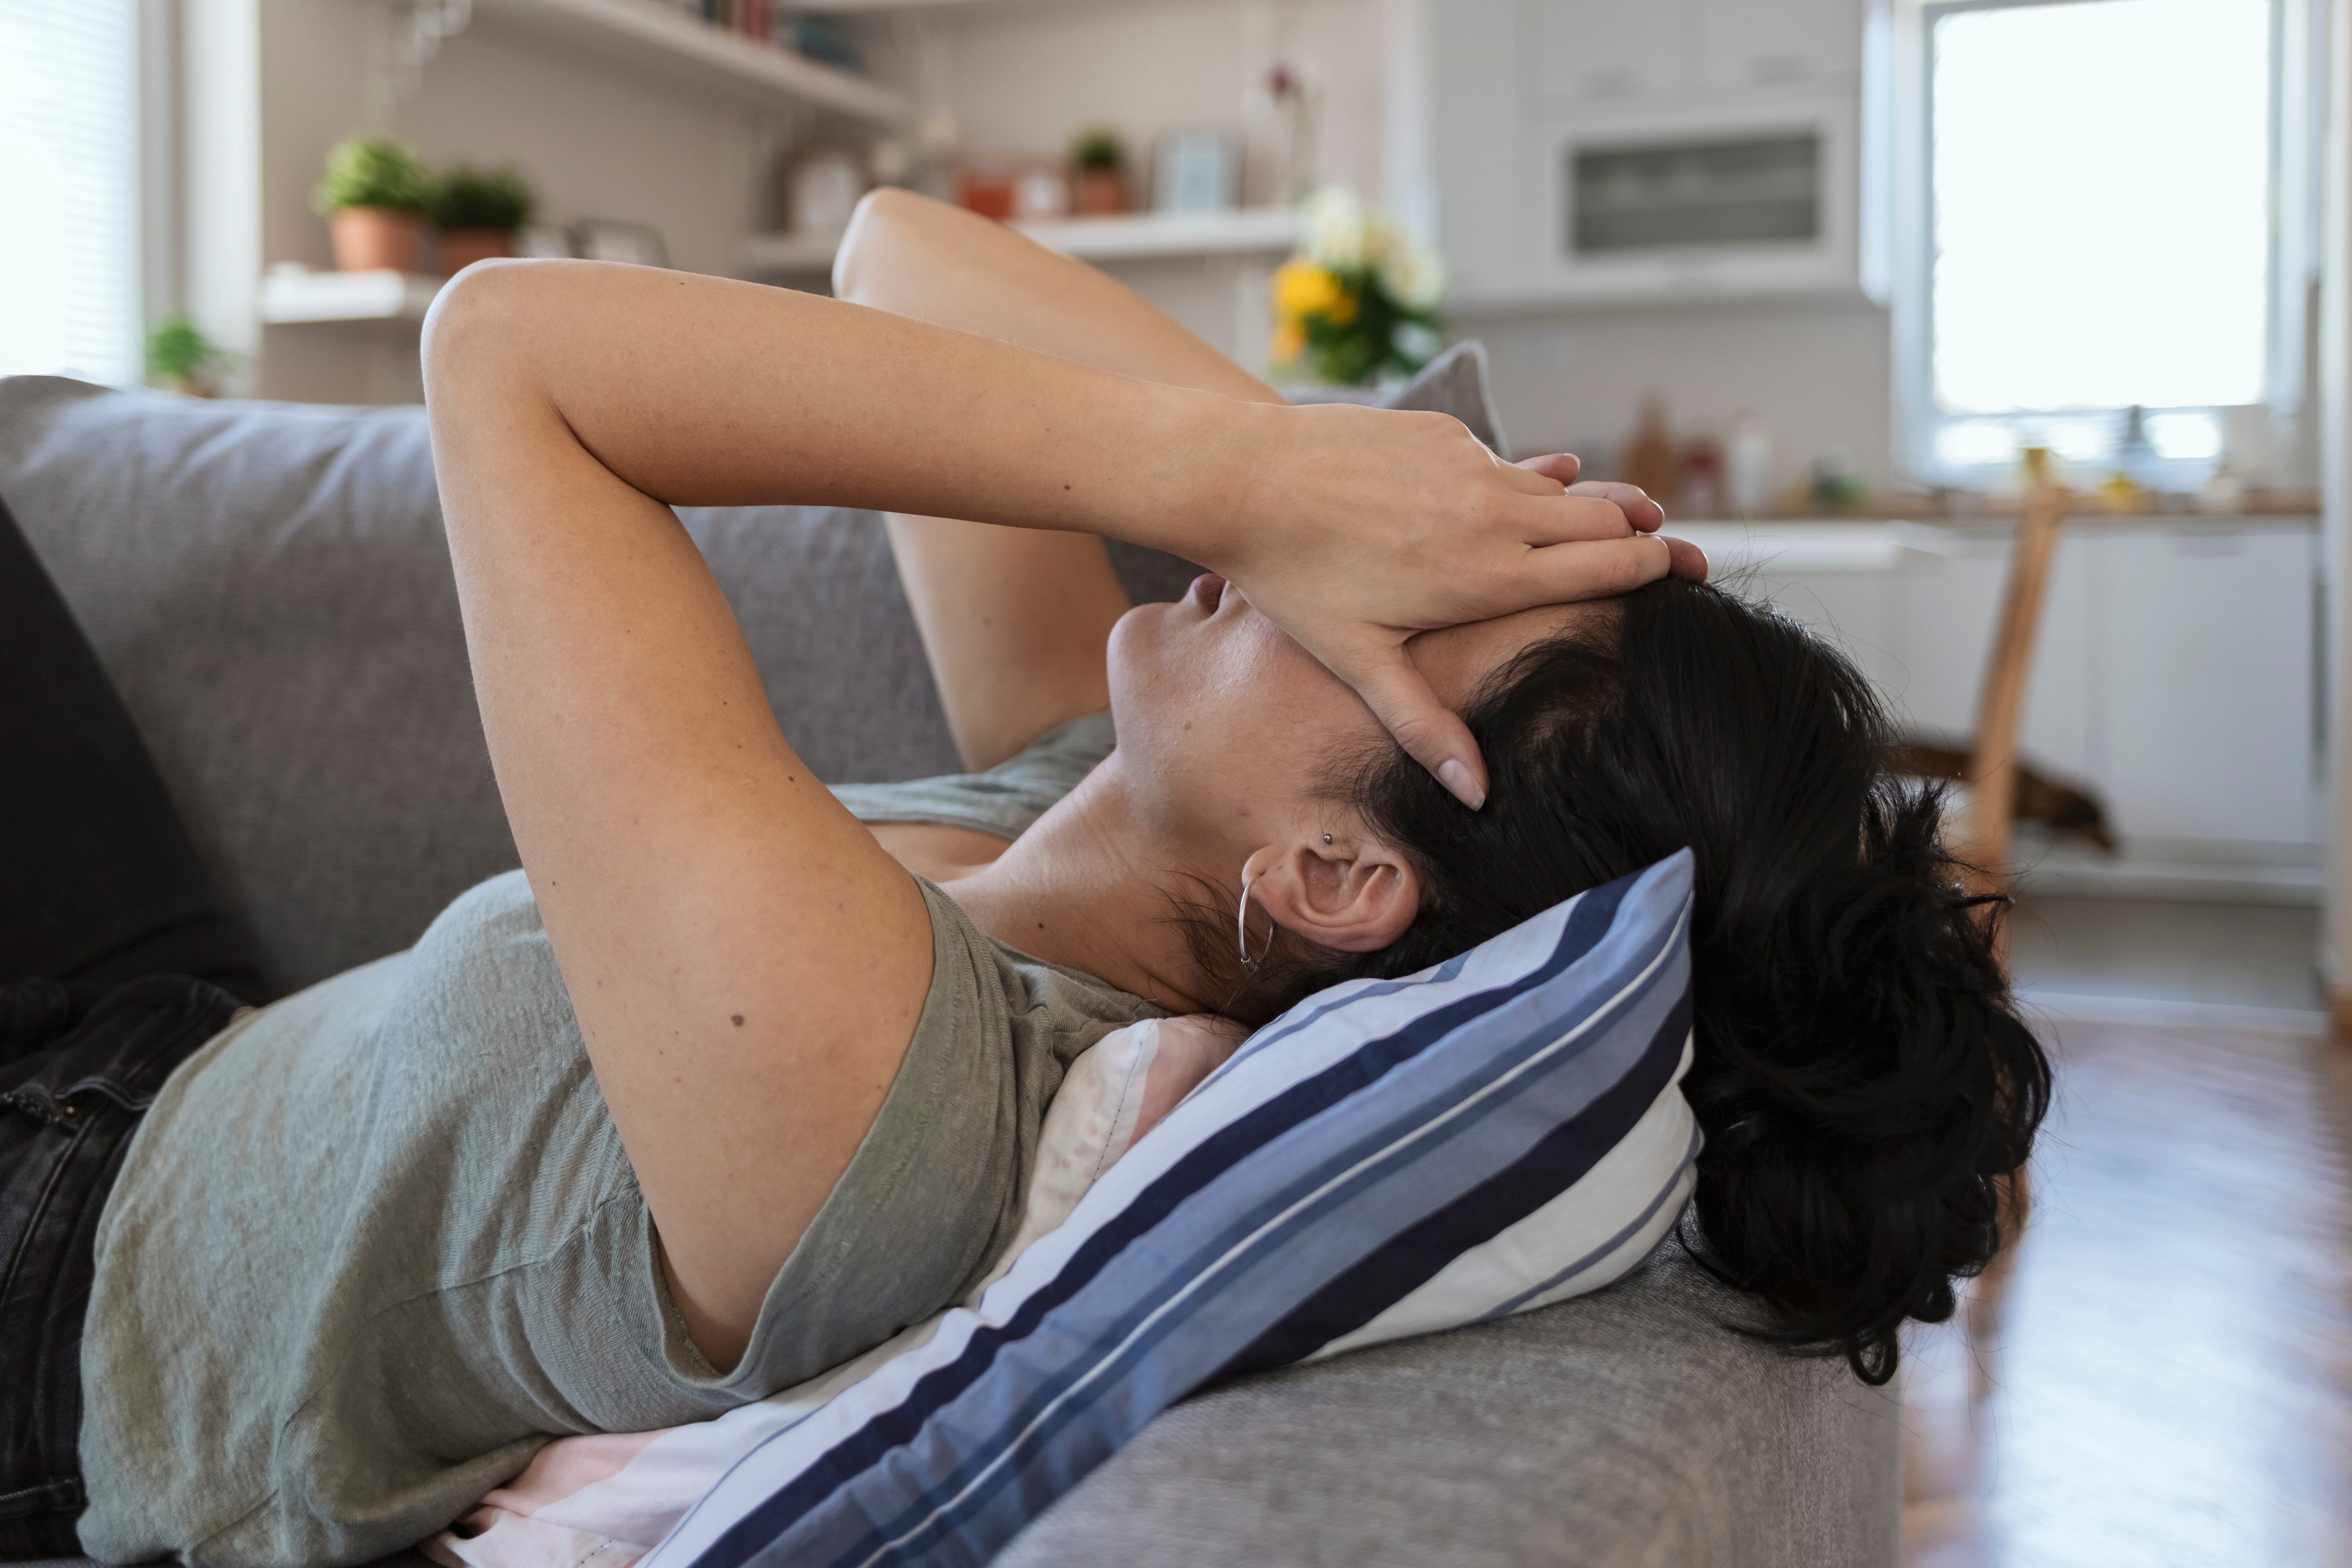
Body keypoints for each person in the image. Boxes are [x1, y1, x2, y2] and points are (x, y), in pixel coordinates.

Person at [0, 190, 2046, 1566]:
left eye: (1387, 618)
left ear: (1334, 876)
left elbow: (509, 357)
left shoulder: (879, 1098)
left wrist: (1240, 481)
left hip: (46, 1281)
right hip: (158, 1021)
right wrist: (1346, 485)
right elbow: (903, 252)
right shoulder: (1095, 793)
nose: (1308, 563)